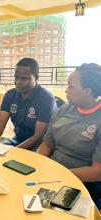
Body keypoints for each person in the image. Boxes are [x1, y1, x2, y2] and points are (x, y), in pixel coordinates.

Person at [38, 63, 101, 204]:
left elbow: (97, 172)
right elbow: (47, 143)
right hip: (51, 173)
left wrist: (59, 174)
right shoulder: (64, 110)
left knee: (50, 209)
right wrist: (38, 165)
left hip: (82, 182)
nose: (66, 90)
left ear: (88, 91)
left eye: (71, 86)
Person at [0, 58, 57, 150]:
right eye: (16, 77)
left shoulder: (46, 98)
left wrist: (14, 151)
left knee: (9, 158)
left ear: (36, 78)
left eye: (24, 78)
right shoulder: (10, 95)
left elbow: (38, 137)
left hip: (41, 144)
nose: (18, 82)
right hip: (18, 139)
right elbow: (0, 124)